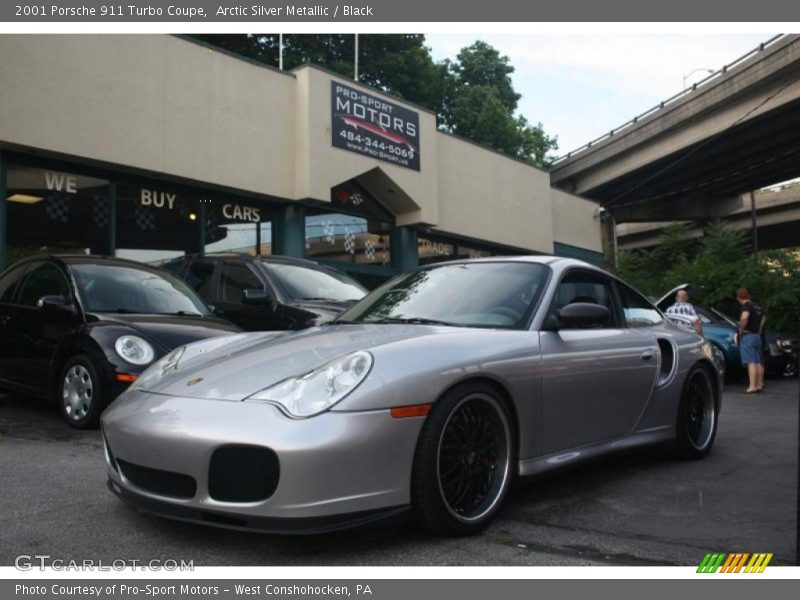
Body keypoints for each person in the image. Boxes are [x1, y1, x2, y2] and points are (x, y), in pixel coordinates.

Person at [736, 287, 766, 393]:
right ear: (747, 295)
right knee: (758, 361)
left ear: (739, 297)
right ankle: (758, 385)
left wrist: (741, 329)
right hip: (757, 336)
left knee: (751, 362)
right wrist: (759, 330)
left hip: (748, 336)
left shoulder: (747, 306)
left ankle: (752, 386)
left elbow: (744, 318)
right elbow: (763, 319)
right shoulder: (756, 306)